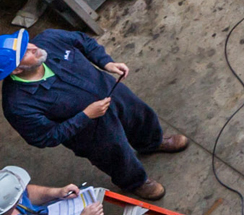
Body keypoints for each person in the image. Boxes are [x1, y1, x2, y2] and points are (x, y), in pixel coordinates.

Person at [0, 29, 187, 202]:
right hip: (89, 131)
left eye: (26, 43)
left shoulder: (49, 39)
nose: (34, 47)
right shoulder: (18, 104)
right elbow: (44, 137)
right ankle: (135, 183)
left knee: (139, 115)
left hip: (111, 91)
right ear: (16, 70)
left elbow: (83, 41)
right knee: (115, 155)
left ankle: (152, 143)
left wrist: (107, 62)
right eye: (25, 52)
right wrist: (86, 116)